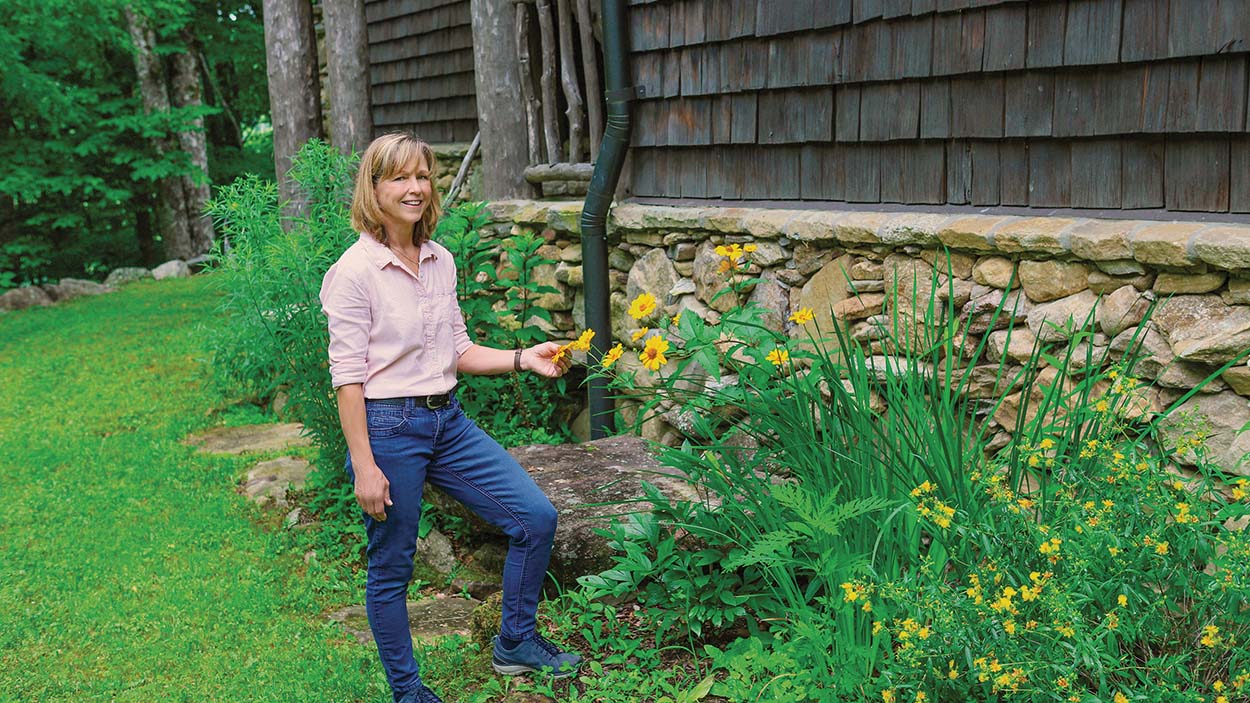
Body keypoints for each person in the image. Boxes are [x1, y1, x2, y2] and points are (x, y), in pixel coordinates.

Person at [318, 132, 582, 703]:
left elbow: (457, 351)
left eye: (423, 176)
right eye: (400, 178)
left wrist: (520, 358)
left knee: (534, 518)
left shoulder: (440, 260)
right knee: (393, 567)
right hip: (388, 429)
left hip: (448, 423)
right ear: (374, 187)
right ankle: (409, 693)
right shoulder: (355, 272)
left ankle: (515, 643)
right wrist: (364, 464)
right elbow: (348, 378)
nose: (415, 188)